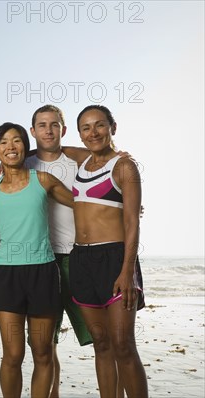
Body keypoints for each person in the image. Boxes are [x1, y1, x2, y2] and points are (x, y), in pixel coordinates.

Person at [0, 122, 73, 398]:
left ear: (25, 146)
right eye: (4, 142)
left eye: (17, 140)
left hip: (43, 272)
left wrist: (120, 202)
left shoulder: (42, 180)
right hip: (7, 275)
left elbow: (82, 204)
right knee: (12, 354)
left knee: (42, 352)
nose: (11, 146)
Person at [70, 105, 147, 397]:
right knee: (101, 345)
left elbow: (131, 222)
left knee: (123, 345)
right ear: (79, 133)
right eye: (86, 128)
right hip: (82, 260)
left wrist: (127, 271)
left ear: (113, 127)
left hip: (115, 259)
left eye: (100, 125)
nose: (93, 133)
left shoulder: (124, 166)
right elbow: (49, 146)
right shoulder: (81, 161)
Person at [25, 105, 93, 397]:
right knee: (44, 345)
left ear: (63, 130)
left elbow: (105, 186)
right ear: (33, 131)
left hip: (78, 258)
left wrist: (125, 205)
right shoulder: (21, 163)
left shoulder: (80, 161)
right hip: (39, 262)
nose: (48, 130)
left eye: (54, 125)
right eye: (42, 125)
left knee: (100, 339)